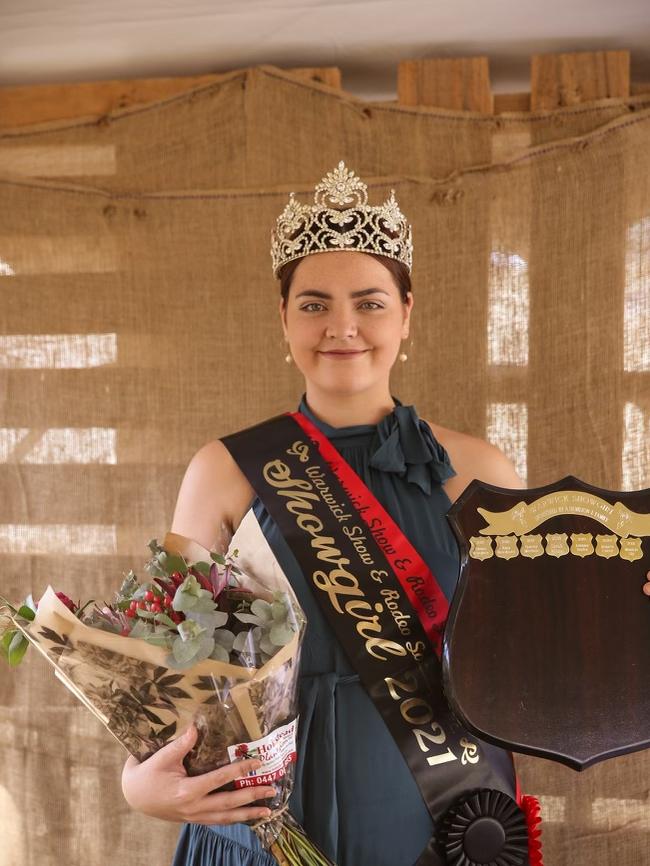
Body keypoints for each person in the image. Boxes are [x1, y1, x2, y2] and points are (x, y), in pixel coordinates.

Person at [120, 163, 650, 866]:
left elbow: (544, 662)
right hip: (265, 819)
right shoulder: (222, 470)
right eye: (314, 305)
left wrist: (626, 618)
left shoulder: (481, 473)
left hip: (437, 813)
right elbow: (171, 670)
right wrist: (140, 787)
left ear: (407, 314)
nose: (342, 326)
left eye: (369, 303)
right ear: (284, 320)